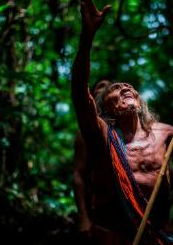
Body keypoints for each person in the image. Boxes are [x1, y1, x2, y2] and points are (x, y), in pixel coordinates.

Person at [71, 0, 173, 244]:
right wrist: (87, 36)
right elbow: (78, 91)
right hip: (111, 237)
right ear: (106, 108)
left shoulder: (164, 133)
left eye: (128, 86)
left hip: (155, 235)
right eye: (116, 89)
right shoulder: (100, 133)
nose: (125, 87)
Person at [73, 79, 111, 240]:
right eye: (99, 87)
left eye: (107, 87)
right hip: (99, 207)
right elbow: (78, 174)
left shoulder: (127, 127)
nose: (102, 89)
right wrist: (83, 216)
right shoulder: (85, 131)